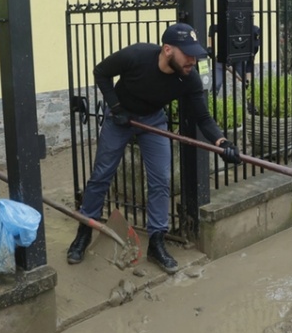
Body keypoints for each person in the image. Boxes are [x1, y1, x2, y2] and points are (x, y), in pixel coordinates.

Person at [68, 23, 242, 273]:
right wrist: (116, 108)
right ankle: (84, 230)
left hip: (152, 120)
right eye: (188, 53)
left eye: (195, 54)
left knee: (161, 179)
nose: (192, 60)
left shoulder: (187, 77)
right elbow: (101, 73)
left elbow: (203, 118)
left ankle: (157, 241)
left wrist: (223, 143)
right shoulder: (136, 56)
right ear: (168, 49)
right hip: (121, 118)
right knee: (102, 174)